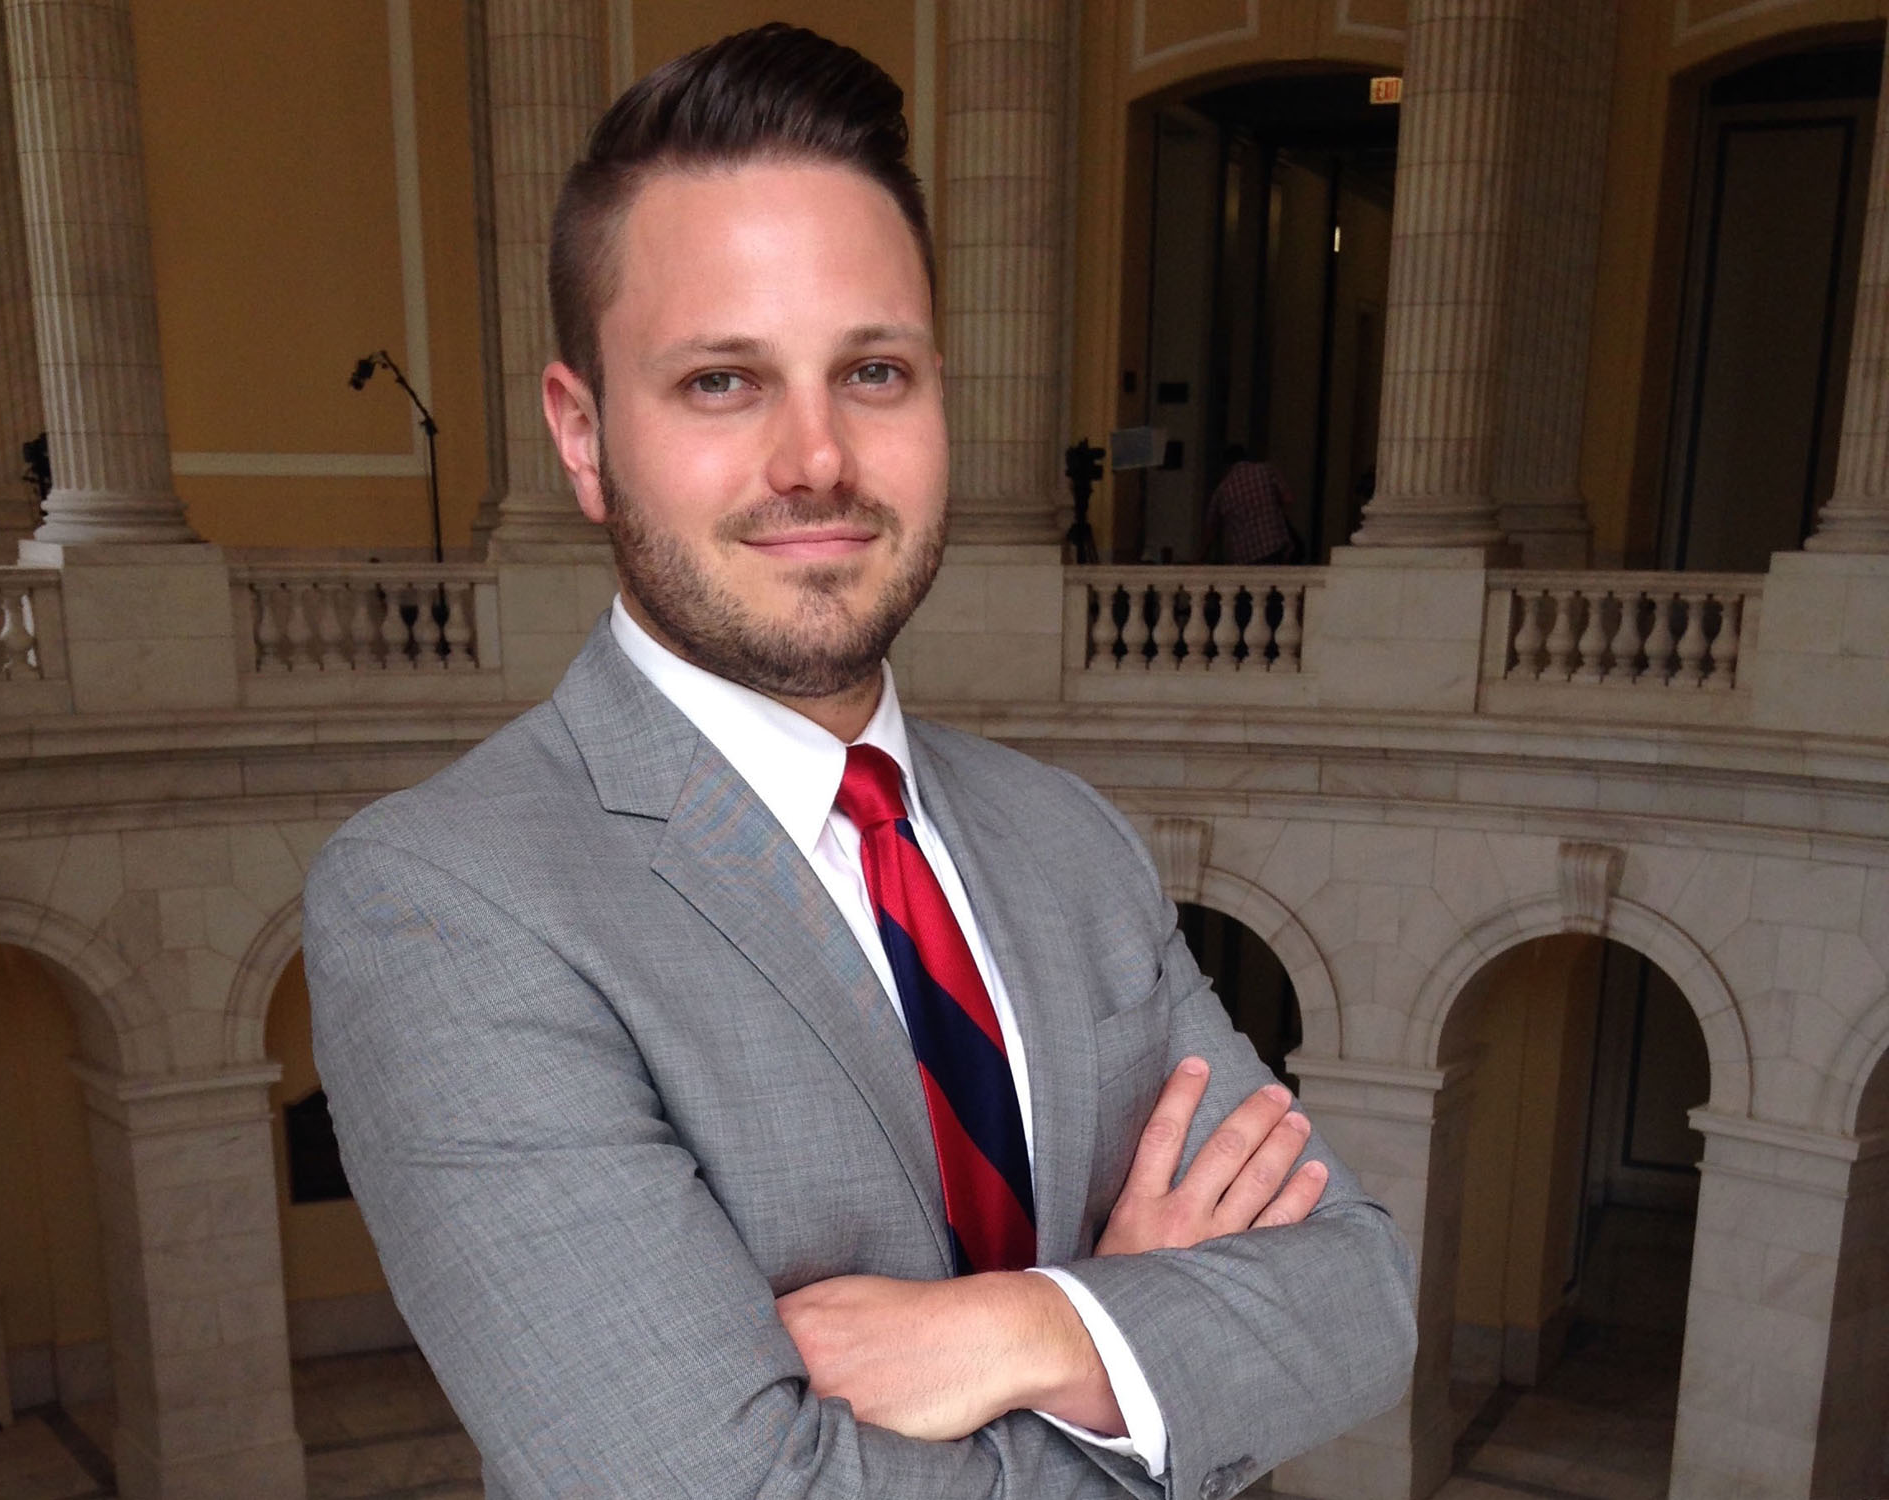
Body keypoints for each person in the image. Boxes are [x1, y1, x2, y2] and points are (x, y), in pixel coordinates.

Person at [304, 26, 1414, 1500]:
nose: (816, 458)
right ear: (582, 437)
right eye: (721, 382)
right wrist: (1148, 1346)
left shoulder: (1066, 839)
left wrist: (1030, 1325)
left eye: (873, 371)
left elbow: (1360, 1296)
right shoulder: (445, 899)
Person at [1201, 445, 1303, 565]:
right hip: (1273, 544)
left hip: (1244, 556)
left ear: (1226, 465)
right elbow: (1288, 499)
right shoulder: (1266, 471)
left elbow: (1210, 529)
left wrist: (1201, 557)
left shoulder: (1222, 490)